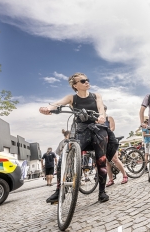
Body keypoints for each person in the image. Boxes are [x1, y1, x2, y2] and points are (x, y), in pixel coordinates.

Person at [39, 72, 117, 203]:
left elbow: (100, 108)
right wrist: (48, 108)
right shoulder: (72, 98)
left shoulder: (96, 95)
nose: (87, 82)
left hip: (98, 129)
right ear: (75, 85)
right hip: (81, 131)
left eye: (87, 80)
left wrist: (101, 116)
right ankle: (59, 190)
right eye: (83, 81)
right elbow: (58, 103)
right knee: (66, 153)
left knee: (101, 160)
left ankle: (102, 192)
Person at [105, 105, 128, 186]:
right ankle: (111, 180)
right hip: (104, 142)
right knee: (107, 162)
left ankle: (125, 175)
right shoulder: (97, 120)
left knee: (115, 159)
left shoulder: (109, 118)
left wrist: (105, 133)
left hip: (111, 140)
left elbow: (112, 128)